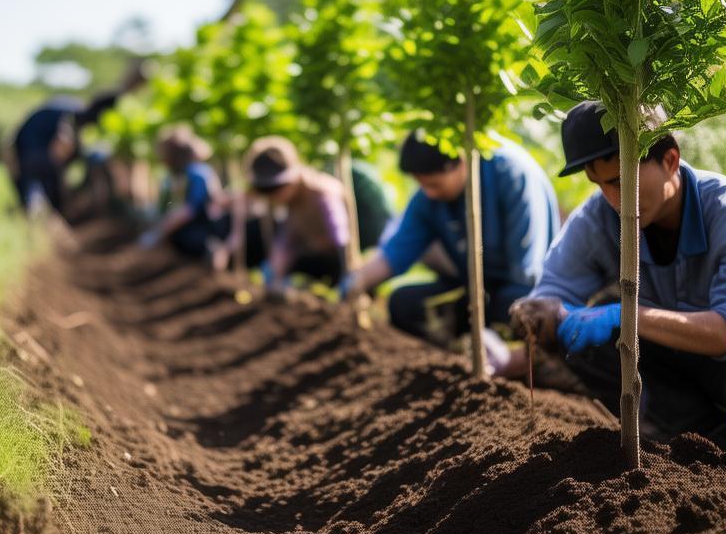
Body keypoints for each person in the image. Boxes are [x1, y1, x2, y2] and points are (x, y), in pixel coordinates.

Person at [509, 101, 726, 472]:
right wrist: (541, 315)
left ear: (671, 160)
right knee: (586, 343)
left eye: (620, 180)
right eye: (599, 184)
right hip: (691, 368)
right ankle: (710, 442)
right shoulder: (598, 218)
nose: (613, 200)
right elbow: (551, 293)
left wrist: (624, 314)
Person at [342, 130, 560, 370]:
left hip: (526, 292)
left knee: (510, 307)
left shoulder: (511, 174)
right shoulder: (428, 198)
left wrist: (495, 326)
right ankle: (450, 361)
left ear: (461, 163)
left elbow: (527, 274)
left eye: (434, 184)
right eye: (422, 185)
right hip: (476, 290)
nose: (428, 193)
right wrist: (354, 284)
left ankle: (516, 361)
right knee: (403, 303)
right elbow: (396, 251)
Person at [7, 62, 144, 213]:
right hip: (32, 150)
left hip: (28, 148)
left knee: (41, 186)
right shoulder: (70, 120)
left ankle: (37, 209)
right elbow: (60, 150)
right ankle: (41, 210)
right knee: (48, 188)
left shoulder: (73, 110)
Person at [245, 136, 351, 292]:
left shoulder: (321, 193)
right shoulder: (292, 202)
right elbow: (286, 240)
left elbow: (340, 237)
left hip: (335, 259)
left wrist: (347, 277)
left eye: (274, 190)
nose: (271, 197)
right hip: (312, 255)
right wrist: (273, 273)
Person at [139, 127, 229, 258]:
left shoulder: (197, 173)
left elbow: (188, 211)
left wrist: (157, 233)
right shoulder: (181, 175)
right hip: (198, 228)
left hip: (204, 231)